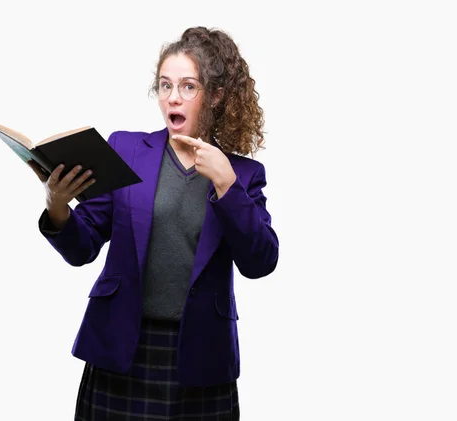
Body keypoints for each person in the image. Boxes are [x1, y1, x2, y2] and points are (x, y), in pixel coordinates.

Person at [28, 26, 279, 420]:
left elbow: (261, 261)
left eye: (187, 86)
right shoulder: (126, 149)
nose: (172, 97)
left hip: (201, 357)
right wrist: (58, 206)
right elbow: (83, 246)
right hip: (120, 349)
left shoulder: (243, 174)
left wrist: (226, 183)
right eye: (164, 85)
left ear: (215, 95)